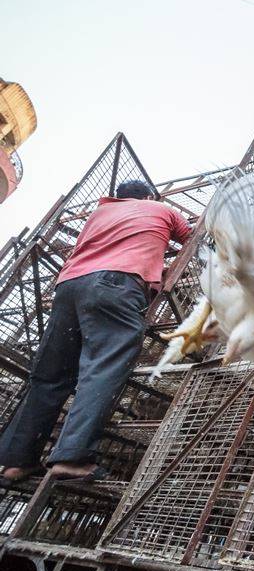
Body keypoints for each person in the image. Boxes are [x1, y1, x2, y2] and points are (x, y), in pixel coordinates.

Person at [0, 179, 192, 484]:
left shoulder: (97, 214)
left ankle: (16, 461)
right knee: (104, 365)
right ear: (148, 196)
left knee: (49, 376)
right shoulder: (160, 208)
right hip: (117, 284)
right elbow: (191, 238)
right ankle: (71, 457)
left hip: (69, 287)